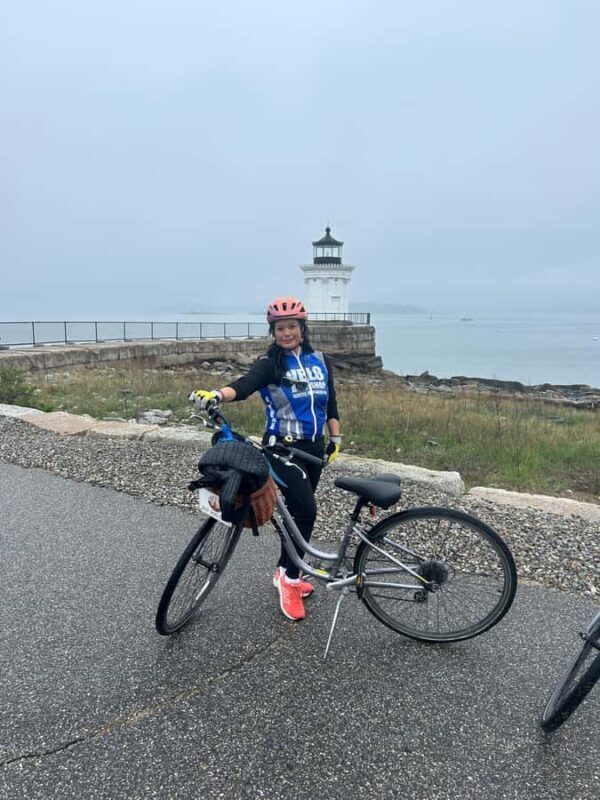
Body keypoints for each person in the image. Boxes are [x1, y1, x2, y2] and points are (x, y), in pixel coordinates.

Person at [191, 295, 341, 622]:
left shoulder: (321, 360)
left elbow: (330, 402)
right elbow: (244, 386)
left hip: (314, 449)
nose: (286, 333)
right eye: (279, 328)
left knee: (297, 516)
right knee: (307, 511)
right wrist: (216, 395)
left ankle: (285, 569)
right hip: (281, 449)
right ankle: (290, 580)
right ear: (273, 331)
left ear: (302, 328)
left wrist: (335, 438)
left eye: (292, 326)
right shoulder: (270, 363)